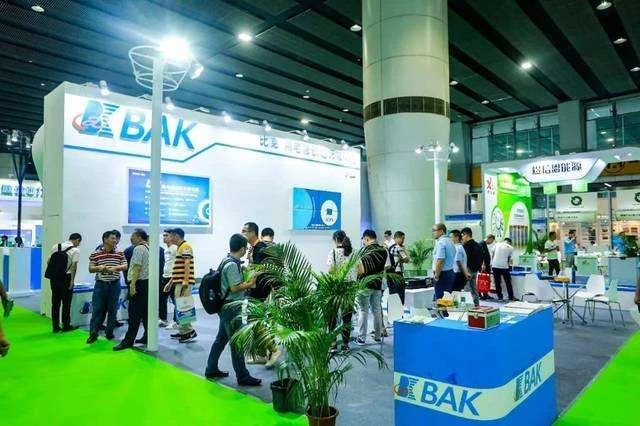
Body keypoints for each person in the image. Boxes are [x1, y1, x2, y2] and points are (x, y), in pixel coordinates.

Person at [205, 233, 261, 386]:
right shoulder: (231, 265)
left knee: (221, 340)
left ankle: (211, 368)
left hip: (226, 307)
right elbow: (235, 288)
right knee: (236, 342)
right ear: (242, 249)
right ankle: (242, 376)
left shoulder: (227, 260)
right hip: (231, 307)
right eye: (246, 248)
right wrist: (250, 283)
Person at [242, 222, 280, 365]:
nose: (242, 233)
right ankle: (262, 354)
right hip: (255, 289)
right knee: (254, 322)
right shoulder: (254, 248)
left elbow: (259, 271)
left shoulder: (260, 248)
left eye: (245, 231)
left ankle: (274, 349)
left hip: (259, 291)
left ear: (253, 233)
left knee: (256, 323)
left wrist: (248, 282)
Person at [87, 230, 127, 344]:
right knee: (97, 310)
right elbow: (91, 268)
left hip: (114, 284)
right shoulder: (95, 253)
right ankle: (93, 334)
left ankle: (109, 332)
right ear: (105, 239)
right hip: (100, 285)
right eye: (112, 238)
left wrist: (115, 268)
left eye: (116, 238)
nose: (115, 240)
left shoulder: (120, 253)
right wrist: (100, 268)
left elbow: (125, 265)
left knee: (112, 309)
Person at [114, 229, 150, 351]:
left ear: (139, 237)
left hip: (138, 284)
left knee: (134, 314)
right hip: (145, 284)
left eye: (133, 236)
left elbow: (137, 267)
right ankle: (147, 337)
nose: (131, 238)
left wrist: (133, 285)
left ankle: (128, 341)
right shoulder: (148, 248)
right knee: (145, 314)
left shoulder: (139, 248)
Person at [165, 228, 197, 343]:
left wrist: (185, 281)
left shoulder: (185, 246)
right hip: (179, 281)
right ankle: (183, 331)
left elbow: (187, 264)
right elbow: (178, 268)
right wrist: (170, 283)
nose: (169, 238)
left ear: (176, 236)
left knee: (184, 306)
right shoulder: (180, 247)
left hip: (183, 282)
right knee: (181, 306)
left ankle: (188, 331)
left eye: (171, 236)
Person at [355, 229, 387, 345]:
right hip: (377, 284)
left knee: (363, 310)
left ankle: (361, 338)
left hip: (364, 285)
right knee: (377, 310)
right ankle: (378, 336)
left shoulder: (364, 251)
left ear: (367, 238)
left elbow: (360, 270)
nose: (363, 242)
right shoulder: (383, 251)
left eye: (363, 240)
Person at [327, 230, 357, 352]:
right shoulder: (354, 252)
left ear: (335, 239)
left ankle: (333, 344)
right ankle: (345, 344)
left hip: (337, 287)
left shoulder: (333, 252)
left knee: (332, 316)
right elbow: (361, 270)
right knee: (347, 317)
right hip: (350, 287)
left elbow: (330, 270)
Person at [48, 233, 82, 332]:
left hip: (54, 277)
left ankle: (55, 327)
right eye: (79, 242)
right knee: (66, 303)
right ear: (77, 240)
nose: (78, 244)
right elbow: (74, 266)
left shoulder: (56, 246)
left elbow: (49, 261)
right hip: (66, 277)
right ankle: (66, 325)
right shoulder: (75, 250)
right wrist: (72, 281)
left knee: (55, 303)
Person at [431, 223, 456, 303]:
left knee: (440, 299)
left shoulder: (441, 242)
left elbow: (440, 260)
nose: (433, 233)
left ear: (441, 231)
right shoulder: (450, 241)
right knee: (447, 298)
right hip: (450, 272)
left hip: (441, 274)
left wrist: (436, 276)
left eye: (434, 230)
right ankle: (446, 311)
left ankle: (442, 311)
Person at [160, 230, 178, 328]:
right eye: (164, 235)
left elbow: (178, 264)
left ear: (172, 237)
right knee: (162, 299)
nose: (164, 237)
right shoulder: (165, 250)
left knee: (176, 301)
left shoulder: (175, 248)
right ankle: (163, 319)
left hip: (173, 278)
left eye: (166, 235)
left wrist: (172, 279)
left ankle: (176, 322)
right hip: (165, 277)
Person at [460, 228, 481, 307]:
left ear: (467, 235)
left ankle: (469, 307)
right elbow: (480, 257)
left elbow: (464, 259)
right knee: (474, 289)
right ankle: (476, 305)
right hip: (475, 270)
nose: (462, 238)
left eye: (462, 236)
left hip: (468, 270)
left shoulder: (466, 246)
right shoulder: (477, 244)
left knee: (467, 290)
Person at [387, 231, 409, 304]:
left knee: (392, 294)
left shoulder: (390, 247)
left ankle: (392, 309)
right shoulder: (398, 247)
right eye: (402, 238)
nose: (403, 240)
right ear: (397, 238)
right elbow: (407, 259)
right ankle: (400, 309)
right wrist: (404, 249)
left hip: (390, 275)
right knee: (400, 295)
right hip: (398, 274)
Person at [492, 238, 515, 302]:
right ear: (509, 242)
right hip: (504, 266)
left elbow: (493, 255)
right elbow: (509, 259)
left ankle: (500, 297)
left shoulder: (496, 244)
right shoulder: (510, 247)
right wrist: (508, 265)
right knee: (508, 282)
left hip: (495, 265)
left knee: (497, 282)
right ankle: (511, 297)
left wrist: (493, 263)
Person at [478, 234, 495, 300]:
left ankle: (485, 294)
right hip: (483, 266)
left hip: (485, 265)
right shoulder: (482, 244)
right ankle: (481, 294)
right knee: (482, 280)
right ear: (490, 239)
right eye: (492, 241)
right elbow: (481, 255)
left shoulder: (484, 244)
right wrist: (483, 264)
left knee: (485, 280)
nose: (491, 243)